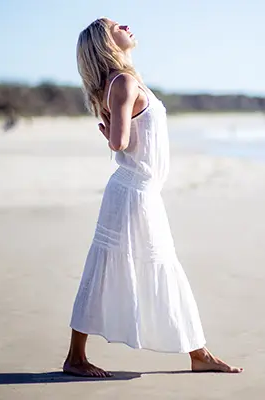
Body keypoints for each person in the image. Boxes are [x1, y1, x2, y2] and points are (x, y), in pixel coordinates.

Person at [63, 17, 243, 378]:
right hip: (134, 192)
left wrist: (110, 131)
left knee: (127, 265)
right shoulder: (124, 82)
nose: (125, 25)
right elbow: (119, 143)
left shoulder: (123, 82)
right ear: (105, 41)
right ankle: (78, 358)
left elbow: (119, 139)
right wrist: (109, 133)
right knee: (133, 266)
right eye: (115, 25)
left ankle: (196, 353)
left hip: (138, 191)